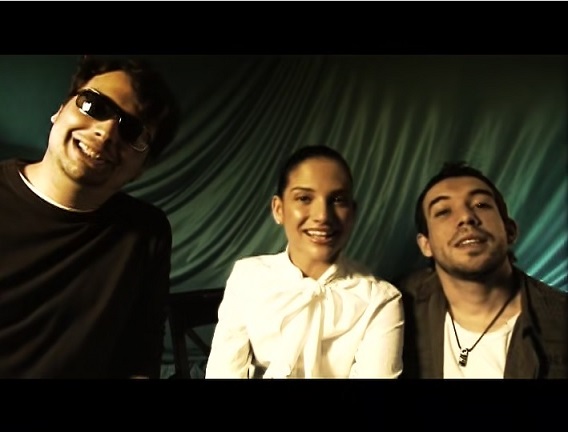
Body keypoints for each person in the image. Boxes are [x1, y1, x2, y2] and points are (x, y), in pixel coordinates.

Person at [0, 55, 180, 378]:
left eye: (132, 131)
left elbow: (139, 360)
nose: (107, 132)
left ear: (141, 169)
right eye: (94, 106)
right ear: (60, 110)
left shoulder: (147, 233)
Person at [205, 145, 404, 378]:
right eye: (304, 198)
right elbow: (223, 372)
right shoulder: (247, 277)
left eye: (338, 200)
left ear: (353, 213)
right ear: (279, 209)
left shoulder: (380, 299)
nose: (322, 216)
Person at [399, 161, 568, 379]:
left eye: (481, 204)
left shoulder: (560, 320)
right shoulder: (394, 306)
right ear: (426, 245)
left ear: (509, 230)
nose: (465, 217)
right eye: (443, 211)